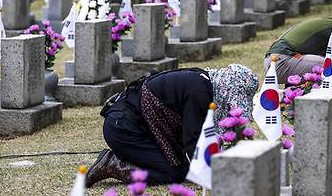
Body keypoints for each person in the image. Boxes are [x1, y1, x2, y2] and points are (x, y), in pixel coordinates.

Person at [85, 64, 258, 188]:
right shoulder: (200, 91)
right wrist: (213, 173)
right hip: (123, 129)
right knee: (171, 173)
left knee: (182, 168)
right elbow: (193, 139)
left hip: (137, 127)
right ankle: (112, 164)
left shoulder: (202, 82)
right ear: (227, 90)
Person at [264, 2, 332, 84]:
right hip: (284, 60)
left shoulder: (331, 22)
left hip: (274, 60)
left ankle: (290, 101)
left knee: (318, 65)